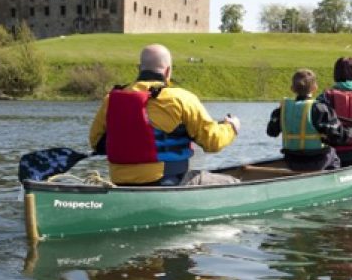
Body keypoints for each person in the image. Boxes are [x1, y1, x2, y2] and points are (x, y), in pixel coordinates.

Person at [89, 44, 241, 186]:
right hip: (167, 182)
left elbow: (96, 142)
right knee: (234, 183)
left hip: (120, 183)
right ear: (168, 71)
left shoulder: (111, 100)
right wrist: (231, 127)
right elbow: (212, 142)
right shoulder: (180, 99)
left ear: (139, 69)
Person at [267, 69, 352, 171]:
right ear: (315, 88)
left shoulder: (282, 110)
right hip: (316, 161)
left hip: (291, 161)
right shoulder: (321, 109)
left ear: (292, 88)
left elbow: (271, 132)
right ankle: (334, 181)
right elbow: (340, 138)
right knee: (333, 153)